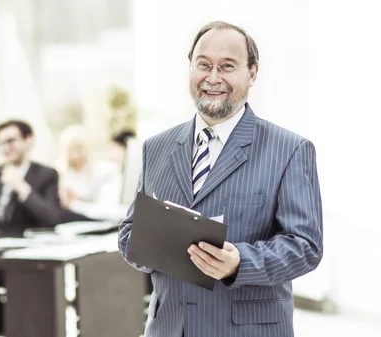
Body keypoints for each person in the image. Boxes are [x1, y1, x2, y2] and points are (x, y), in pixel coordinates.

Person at [118, 21, 323, 337]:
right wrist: (148, 248)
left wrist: (240, 262)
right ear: (190, 67)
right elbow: (129, 231)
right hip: (169, 328)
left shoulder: (290, 150)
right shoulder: (155, 148)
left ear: (252, 73)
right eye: (204, 65)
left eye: (227, 67)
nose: (213, 78)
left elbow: (306, 246)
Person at [0, 120, 62, 239]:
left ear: (28, 140)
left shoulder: (46, 174)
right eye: (1, 143)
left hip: (26, 244)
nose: (5, 148)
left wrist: (22, 188)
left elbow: (52, 218)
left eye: (10, 141)